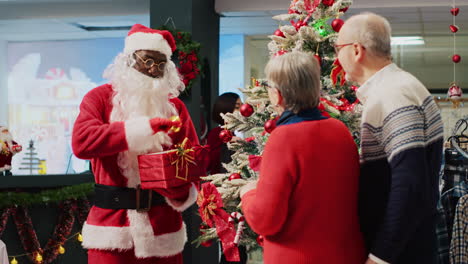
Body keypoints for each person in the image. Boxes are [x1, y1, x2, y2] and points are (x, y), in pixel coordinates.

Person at [72, 24, 200, 264]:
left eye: (161, 64)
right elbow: (82, 142)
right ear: (130, 60)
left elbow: (190, 159)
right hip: (111, 231)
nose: (154, 69)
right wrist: (142, 129)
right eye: (148, 60)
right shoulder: (99, 98)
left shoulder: (175, 108)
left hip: (164, 231)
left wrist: (180, 187)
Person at [336, 13, 444, 264]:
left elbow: (409, 185)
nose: (336, 58)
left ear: (356, 50)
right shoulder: (395, 88)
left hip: (401, 253)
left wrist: (380, 256)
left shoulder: (394, 94)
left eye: (337, 48)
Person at [240, 51, 366, 264]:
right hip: (345, 255)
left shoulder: (283, 138)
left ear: (277, 95)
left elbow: (265, 220)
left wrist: (248, 193)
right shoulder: (339, 130)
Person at [206, 92, 241, 174]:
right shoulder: (217, 133)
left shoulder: (232, 133)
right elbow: (213, 162)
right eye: (237, 107)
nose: (241, 110)